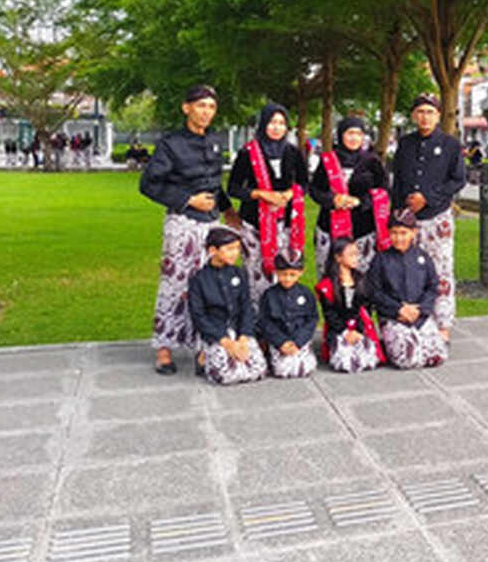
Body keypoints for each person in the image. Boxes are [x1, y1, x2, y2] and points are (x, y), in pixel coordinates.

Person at [139, 84, 236, 375]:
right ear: (187, 108)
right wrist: (187, 199)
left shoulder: (215, 142)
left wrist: (230, 212)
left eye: (211, 107)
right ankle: (165, 348)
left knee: (210, 285)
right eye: (200, 105)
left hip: (212, 226)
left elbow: (215, 184)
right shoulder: (171, 144)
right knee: (175, 285)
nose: (206, 112)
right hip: (183, 223)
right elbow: (148, 184)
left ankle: (202, 346)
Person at [389, 94, 465, 340]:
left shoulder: (451, 144)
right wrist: (398, 213)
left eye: (430, 112)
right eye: (420, 112)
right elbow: (398, 179)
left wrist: (429, 198)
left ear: (439, 115)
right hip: (408, 219)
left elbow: (458, 179)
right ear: (413, 115)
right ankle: (413, 318)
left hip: (437, 217)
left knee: (441, 270)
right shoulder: (405, 144)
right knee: (409, 269)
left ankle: (443, 323)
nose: (425, 117)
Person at [227, 103, 309, 306]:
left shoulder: (293, 152)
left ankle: (280, 320)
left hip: (285, 224)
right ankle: (256, 322)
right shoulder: (248, 153)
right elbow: (234, 188)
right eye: (273, 122)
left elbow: (304, 183)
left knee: (283, 271)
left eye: (282, 123)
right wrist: (261, 194)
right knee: (256, 273)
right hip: (255, 224)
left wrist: (291, 193)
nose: (277, 127)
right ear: (263, 124)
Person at [366, 208, 448, 369]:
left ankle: (416, 340)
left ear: (413, 233)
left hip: (419, 314)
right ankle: (399, 343)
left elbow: (432, 286)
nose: (398, 238)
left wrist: (420, 309)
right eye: (394, 233)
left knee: (438, 356)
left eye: (403, 233)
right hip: (394, 316)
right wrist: (399, 309)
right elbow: (374, 291)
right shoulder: (381, 259)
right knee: (407, 360)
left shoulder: (422, 257)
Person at [188, 227, 267, 385]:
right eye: (229, 249)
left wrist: (243, 338)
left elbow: (246, 306)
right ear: (213, 250)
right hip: (216, 333)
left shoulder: (238, 273)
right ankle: (203, 356)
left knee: (259, 370)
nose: (235, 253)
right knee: (224, 376)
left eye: (237, 248)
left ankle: (226, 360)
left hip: (238, 330)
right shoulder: (199, 279)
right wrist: (226, 342)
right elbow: (199, 316)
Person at [310, 117, 389, 275]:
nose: (354, 138)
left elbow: (384, 190)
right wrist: (332, 200)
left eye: (359, 134)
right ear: (340, 135)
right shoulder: (328, 160)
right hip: (330, 228)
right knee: (331, 276)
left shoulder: (372, 161)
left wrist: (360, 201)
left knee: (362, 279)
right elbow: (314, 189)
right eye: (350, 133)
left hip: (362, 229)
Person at [316, 237, 385, 373]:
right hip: (339, 329)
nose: (356, 258)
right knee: (346, 363)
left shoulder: (362, 280)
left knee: (367, 360)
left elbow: (366, 307)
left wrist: (358, 330)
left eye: (357, 254)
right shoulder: (327, 286)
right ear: (338, 258)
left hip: (359, 326)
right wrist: (345, 331)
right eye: (351, 254)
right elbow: (329, 314)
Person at [256, 251, 319, 379]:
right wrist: (281, 342)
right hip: (279, 340)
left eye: (292, 274)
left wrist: (299, 341)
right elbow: (265, 321)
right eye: (283, 274)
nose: (287, 278)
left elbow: (312, 319)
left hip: (299, 339)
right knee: (283, 370)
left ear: (301, 272)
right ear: (276, 272)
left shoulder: (306, 294)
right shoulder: (269, 295)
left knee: (304, 368)